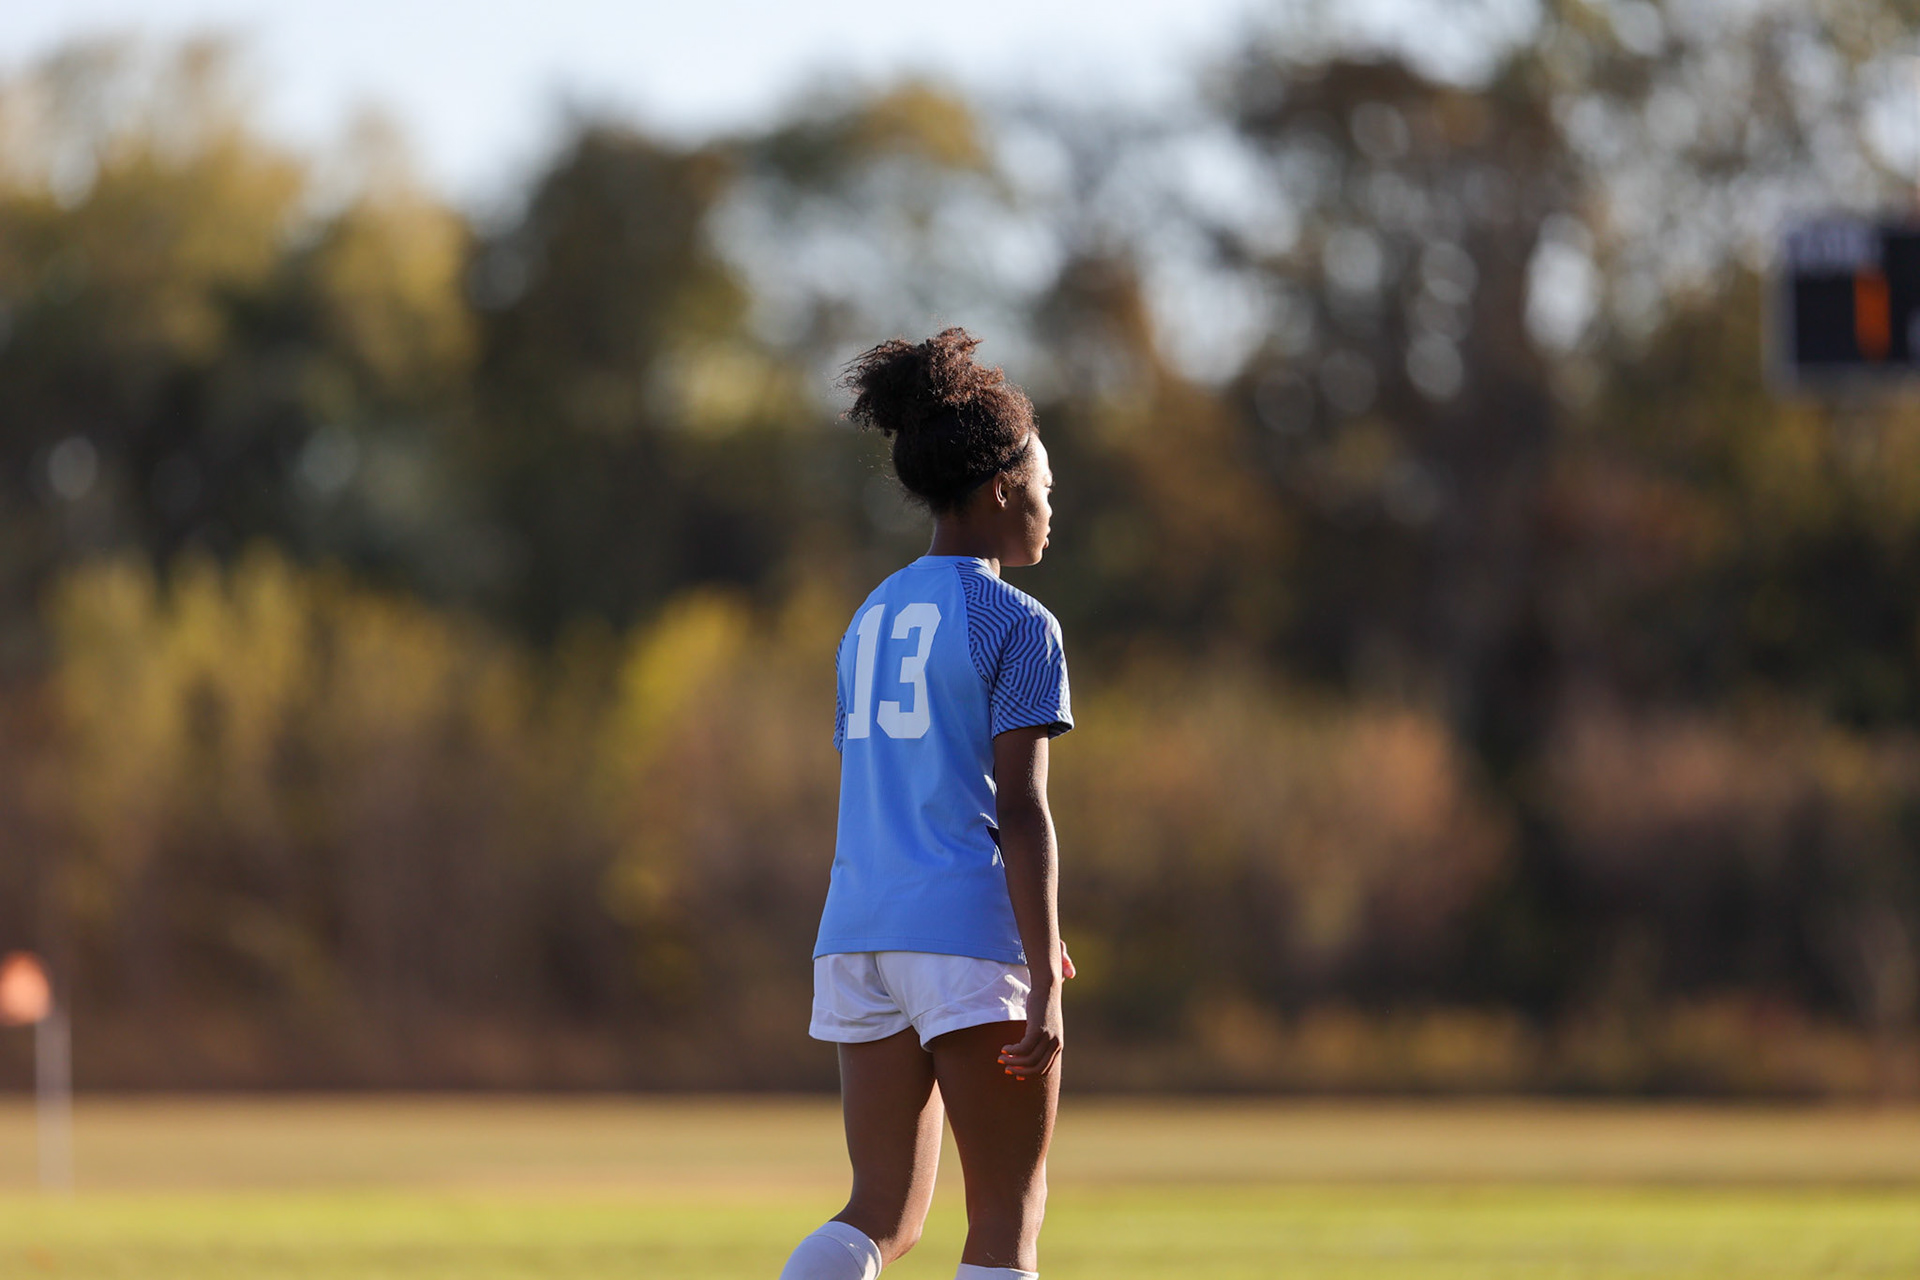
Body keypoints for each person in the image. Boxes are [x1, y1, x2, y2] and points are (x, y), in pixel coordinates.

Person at [778, 329, 1075, 1280]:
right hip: (962, 936)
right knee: (1006, 1221)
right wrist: (1043, 973)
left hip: (857, 935)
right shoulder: (1018, 622)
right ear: (1002, 488)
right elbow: (1020, 811)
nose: (1051, 506)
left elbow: (895, 784)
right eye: (1044, 485)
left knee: (881, 1215)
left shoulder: (868, 616)